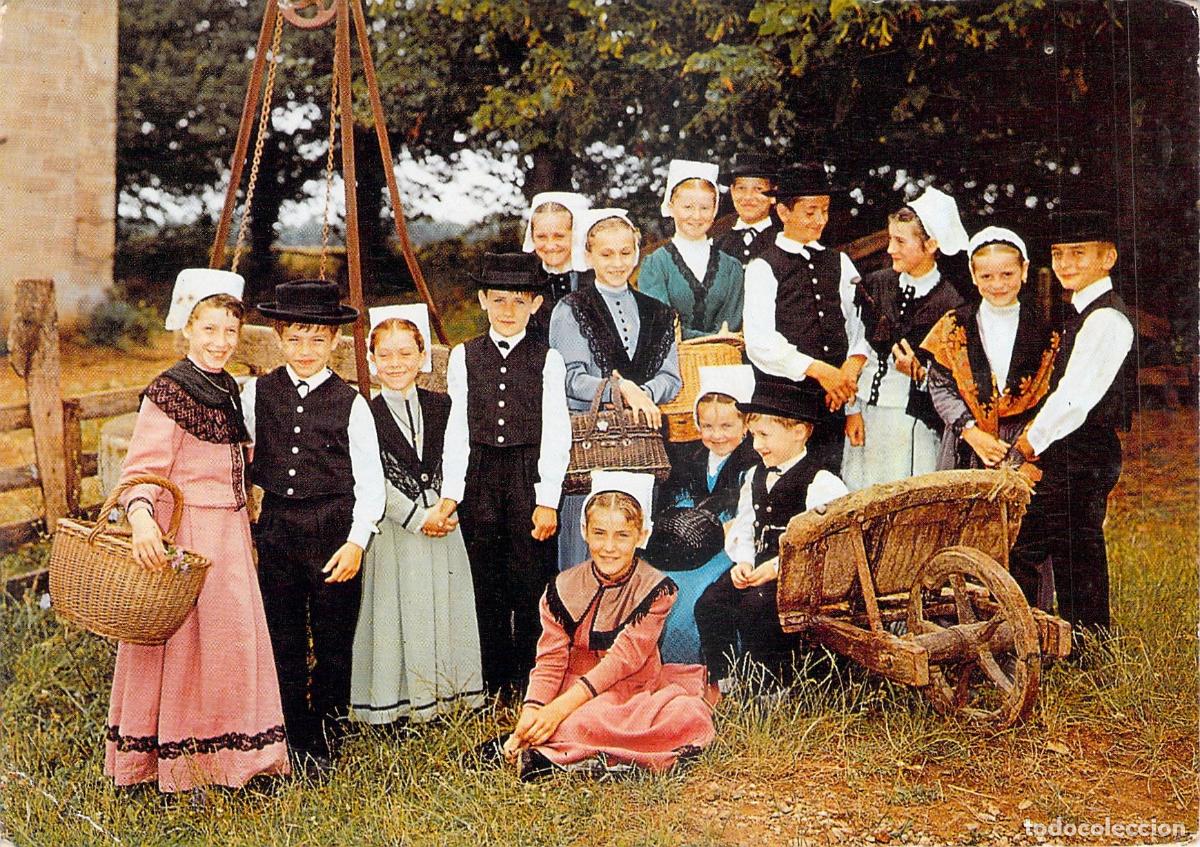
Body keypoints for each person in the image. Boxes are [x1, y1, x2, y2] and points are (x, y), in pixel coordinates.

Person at [108, 269, 289, 794]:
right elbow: (142, 469)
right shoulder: (169, 390)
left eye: (230, 332)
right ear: (187, 328)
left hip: (230, 535)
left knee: (230, 646)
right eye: (209, 330)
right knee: (184, 648)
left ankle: (236, 758)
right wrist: (142, 520)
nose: (220, 343)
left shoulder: (228, 388)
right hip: (186, 536)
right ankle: (174, 761)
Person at [486, 471, 714, 780]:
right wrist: (533, 712)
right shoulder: (562, 587)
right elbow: (550, 661)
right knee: (578, 719)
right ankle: (565, 751)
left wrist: (557, 711)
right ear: (584, 532)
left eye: (622, 535)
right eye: (599, 533)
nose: (609, 547)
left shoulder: (656, 589)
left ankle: (564, 753)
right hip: (575, 686)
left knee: (686, 716)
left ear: (641, 536)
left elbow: (623, 661)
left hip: (631, 690)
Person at [244, 279, 385, 772]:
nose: (306, 351)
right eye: (296, 339)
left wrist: (356, 543)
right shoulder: (256, 393)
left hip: (331, 529)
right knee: (281, 634)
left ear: (335, 343)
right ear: (278, 337)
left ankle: (325, 732)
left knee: (332, 637)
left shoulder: (352, 404)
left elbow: (372, 484)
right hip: (278, 527)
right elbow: (239, 458)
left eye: (318, 340)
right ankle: (290, 730)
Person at [434, 252, 572, 695]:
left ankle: (533, 679)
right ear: (482, 301)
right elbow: (457, 426)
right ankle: (493, 681)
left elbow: (557, 430)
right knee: (485, 579)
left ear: (534, 305)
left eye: (518, 300)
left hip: (527, 475)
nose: (508, 311)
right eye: (498, 300)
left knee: (529, 578)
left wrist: (548, 498)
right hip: (481, 476)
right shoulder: (465, 355)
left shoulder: (548, 359)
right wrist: (453, 491)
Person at [349, 304, 485, 726]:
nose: (395, 364)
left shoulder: (443, 406)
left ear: (422, 356)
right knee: (397, 610)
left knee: (445, 605)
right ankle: (398, 701)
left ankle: (446, 695)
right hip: (396, 527)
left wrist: (446, 504)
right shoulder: (364, 411)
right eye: (385, 355)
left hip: (443, 523)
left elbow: (458, 455)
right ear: (371, 361)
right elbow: (368, 477)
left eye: (405, 354)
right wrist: (415, 515)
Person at [1011, 210, 1134, 648]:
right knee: (1072, 546)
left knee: (1032, 545)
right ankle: (1083, 642)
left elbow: (1075, 398)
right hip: (1074, 447)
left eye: (1078, 254)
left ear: (1109, 257)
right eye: (1059, 254)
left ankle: (1026, 643)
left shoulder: (1107, 320)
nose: (1065, 264)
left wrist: (1027, 443)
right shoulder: (1080, 314)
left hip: (1084, 448)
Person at [920, 227, 1060, 609]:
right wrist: (970, 431)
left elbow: (1053, 395)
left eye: (1007, 274)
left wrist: (1021, 446)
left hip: (1023, 446)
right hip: (967, 443)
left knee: (1023, 534)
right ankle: (960, 621)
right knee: (961, 530)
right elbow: (940, 386)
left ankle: (1028, 621)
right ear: (972, 274)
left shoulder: (1047, 331)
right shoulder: (953, 326)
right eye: (986, 276)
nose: (997, 284)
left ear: (1025, 271)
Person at [694, 378, 848, 691]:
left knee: (757, 608)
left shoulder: (821, 482)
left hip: (802, 575)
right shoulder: (755, 475)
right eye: (753, 436)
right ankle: (725, 681)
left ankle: (771, 688)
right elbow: (745, 526)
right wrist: (745, 562)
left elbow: (827, 546)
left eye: (765, 435)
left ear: (799, 432)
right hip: (760, 568)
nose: (756, 445)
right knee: (710, 603)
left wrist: (776, 568)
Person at [549, 208, 682, 570]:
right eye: (606, 254)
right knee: (586, 554)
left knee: (634, 549)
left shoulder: (659, 312)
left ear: (637, 252)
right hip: (592, 449)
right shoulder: (571, 309)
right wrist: (622, 391)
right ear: (589, 255)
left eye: (626, 252)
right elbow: (570, 378)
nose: (617, 262)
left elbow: (672, 378)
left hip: (641, 448)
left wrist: (644, 394)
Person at [742, 162, 870, 474]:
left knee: (830, 483)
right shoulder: (763, 267)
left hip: (834, 404)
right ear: (784, 213)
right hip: (785, 407)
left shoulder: (839, 262)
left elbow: (858, 329)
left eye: (824, 210)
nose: (820, 220)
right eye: (810, 212)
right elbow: (760, 342)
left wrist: (849, 395)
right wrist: (818, 370)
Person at [842, 187, 968, 489]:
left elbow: (957, 378)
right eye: (890, 239)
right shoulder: (875, 285)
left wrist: (920, 374)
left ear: (931, 244)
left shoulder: (951, 303)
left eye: (900, 241)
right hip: (867, 416)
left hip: (913, 424)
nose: (890, 250)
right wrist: (853, 410)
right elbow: (857, 347)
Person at [648, 364, 758, 665]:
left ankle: (694, 669)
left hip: (727, 547)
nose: (716, 435)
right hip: (686, 544)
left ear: (745, 424)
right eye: (708, 426)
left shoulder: (752, 462)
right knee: (657, 583)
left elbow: (746, 520)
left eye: (726, 426)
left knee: (687, 596)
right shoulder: (691, 457)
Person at [637, 159, 744, 339]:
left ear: (715, 210)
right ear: (671, 207)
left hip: (723, 363)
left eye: (704, 208)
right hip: (670, 364)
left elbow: (730, 325)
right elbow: (659, 325)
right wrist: (711, 338)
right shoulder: (655, 265)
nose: (696, 216)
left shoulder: (732, 268)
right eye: (688, 207)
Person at [520, 191, 593, 344]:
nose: (550, 245)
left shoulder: (598, 278)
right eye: (541, 237)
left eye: (559, 236)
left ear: (576, 234)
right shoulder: (525, 282)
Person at [713, 152, 781, 266]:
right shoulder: (717, 242)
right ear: (733, 192)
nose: (748, 197)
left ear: (773, 195)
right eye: (741, 188)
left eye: (758, 189)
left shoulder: (783, 239)